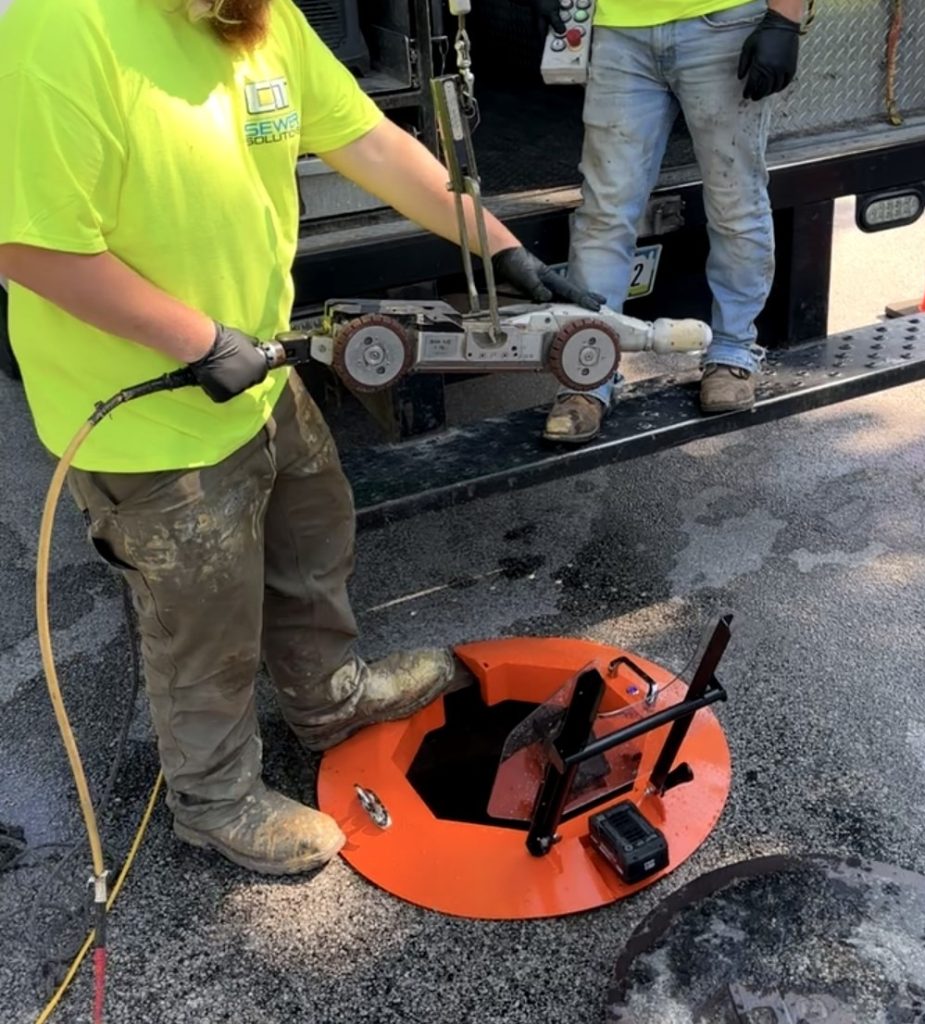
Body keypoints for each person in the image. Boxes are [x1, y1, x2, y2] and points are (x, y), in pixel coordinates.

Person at [0, 0, 600, 876]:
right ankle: (213, 799)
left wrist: (500, 247)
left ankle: (326, 700)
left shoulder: (258, 14)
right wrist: (199, 342)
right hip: (148, 404)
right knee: (203, 619)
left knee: (315, 534)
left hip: (256, 371)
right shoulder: (62, 27)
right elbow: (32, 248)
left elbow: (369, 141)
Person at [532, 0, 804, 443]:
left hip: (724, 20)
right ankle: (588, 373)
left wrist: (784, 17)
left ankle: (733, 351)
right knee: (604, 210)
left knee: (735, 200)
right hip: (619, 26)